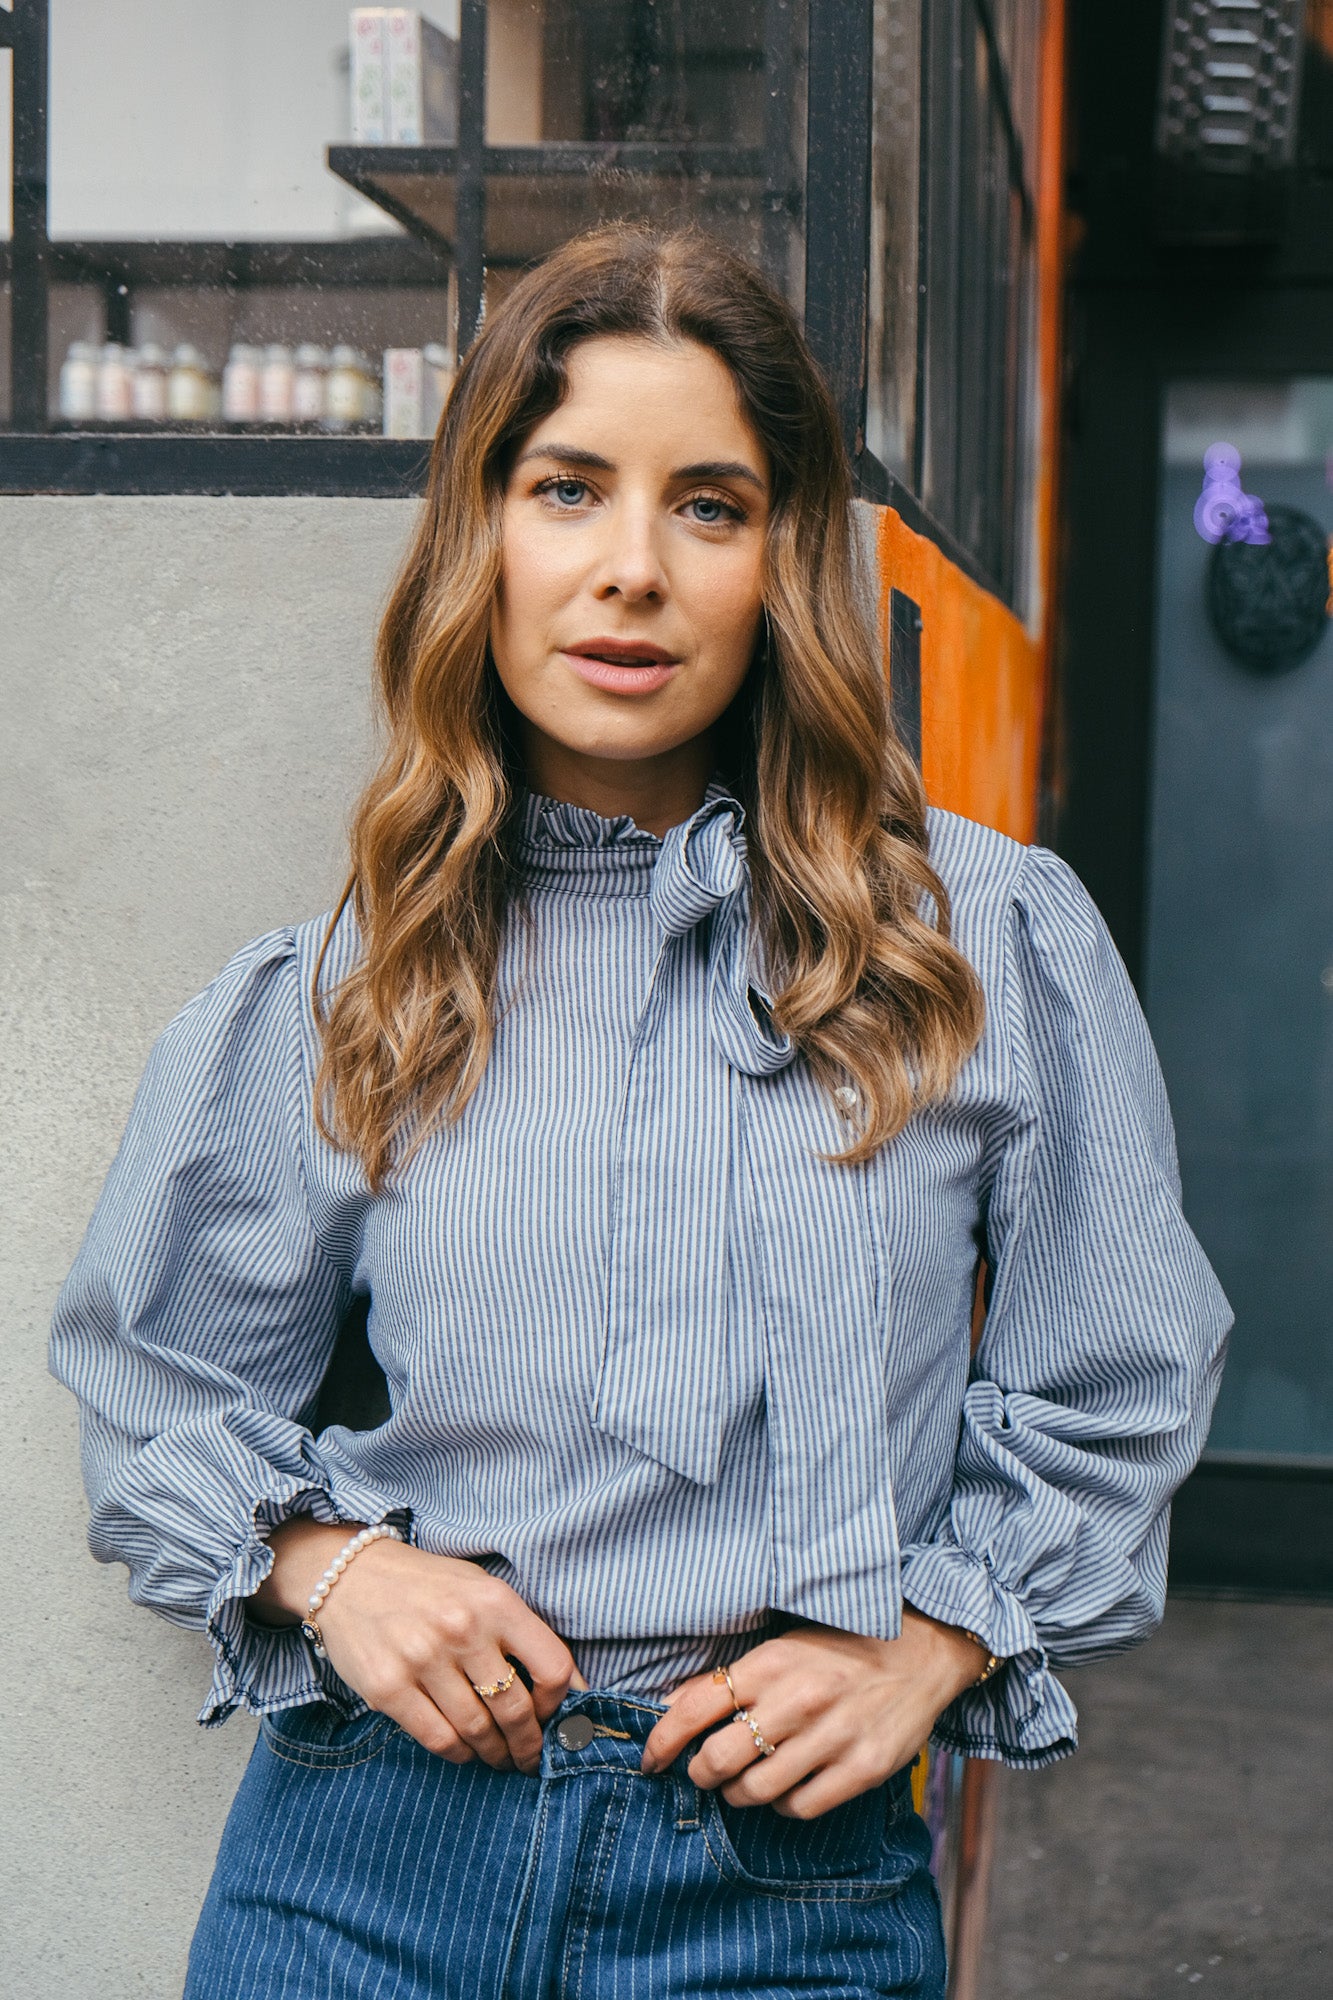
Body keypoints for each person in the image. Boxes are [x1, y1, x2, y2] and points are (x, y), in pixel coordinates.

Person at [50, 226, 1230, 2000]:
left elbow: (1117, 1372)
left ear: (782, 562)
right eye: (566, 488)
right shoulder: (347, 979)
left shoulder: (983, 941)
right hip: (364, 1862)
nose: (629, 572)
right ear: (482, 539)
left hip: (782, 1893)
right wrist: (332, 1568)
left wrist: (934, 1638)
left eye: (708, 505)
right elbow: (157, 1387)